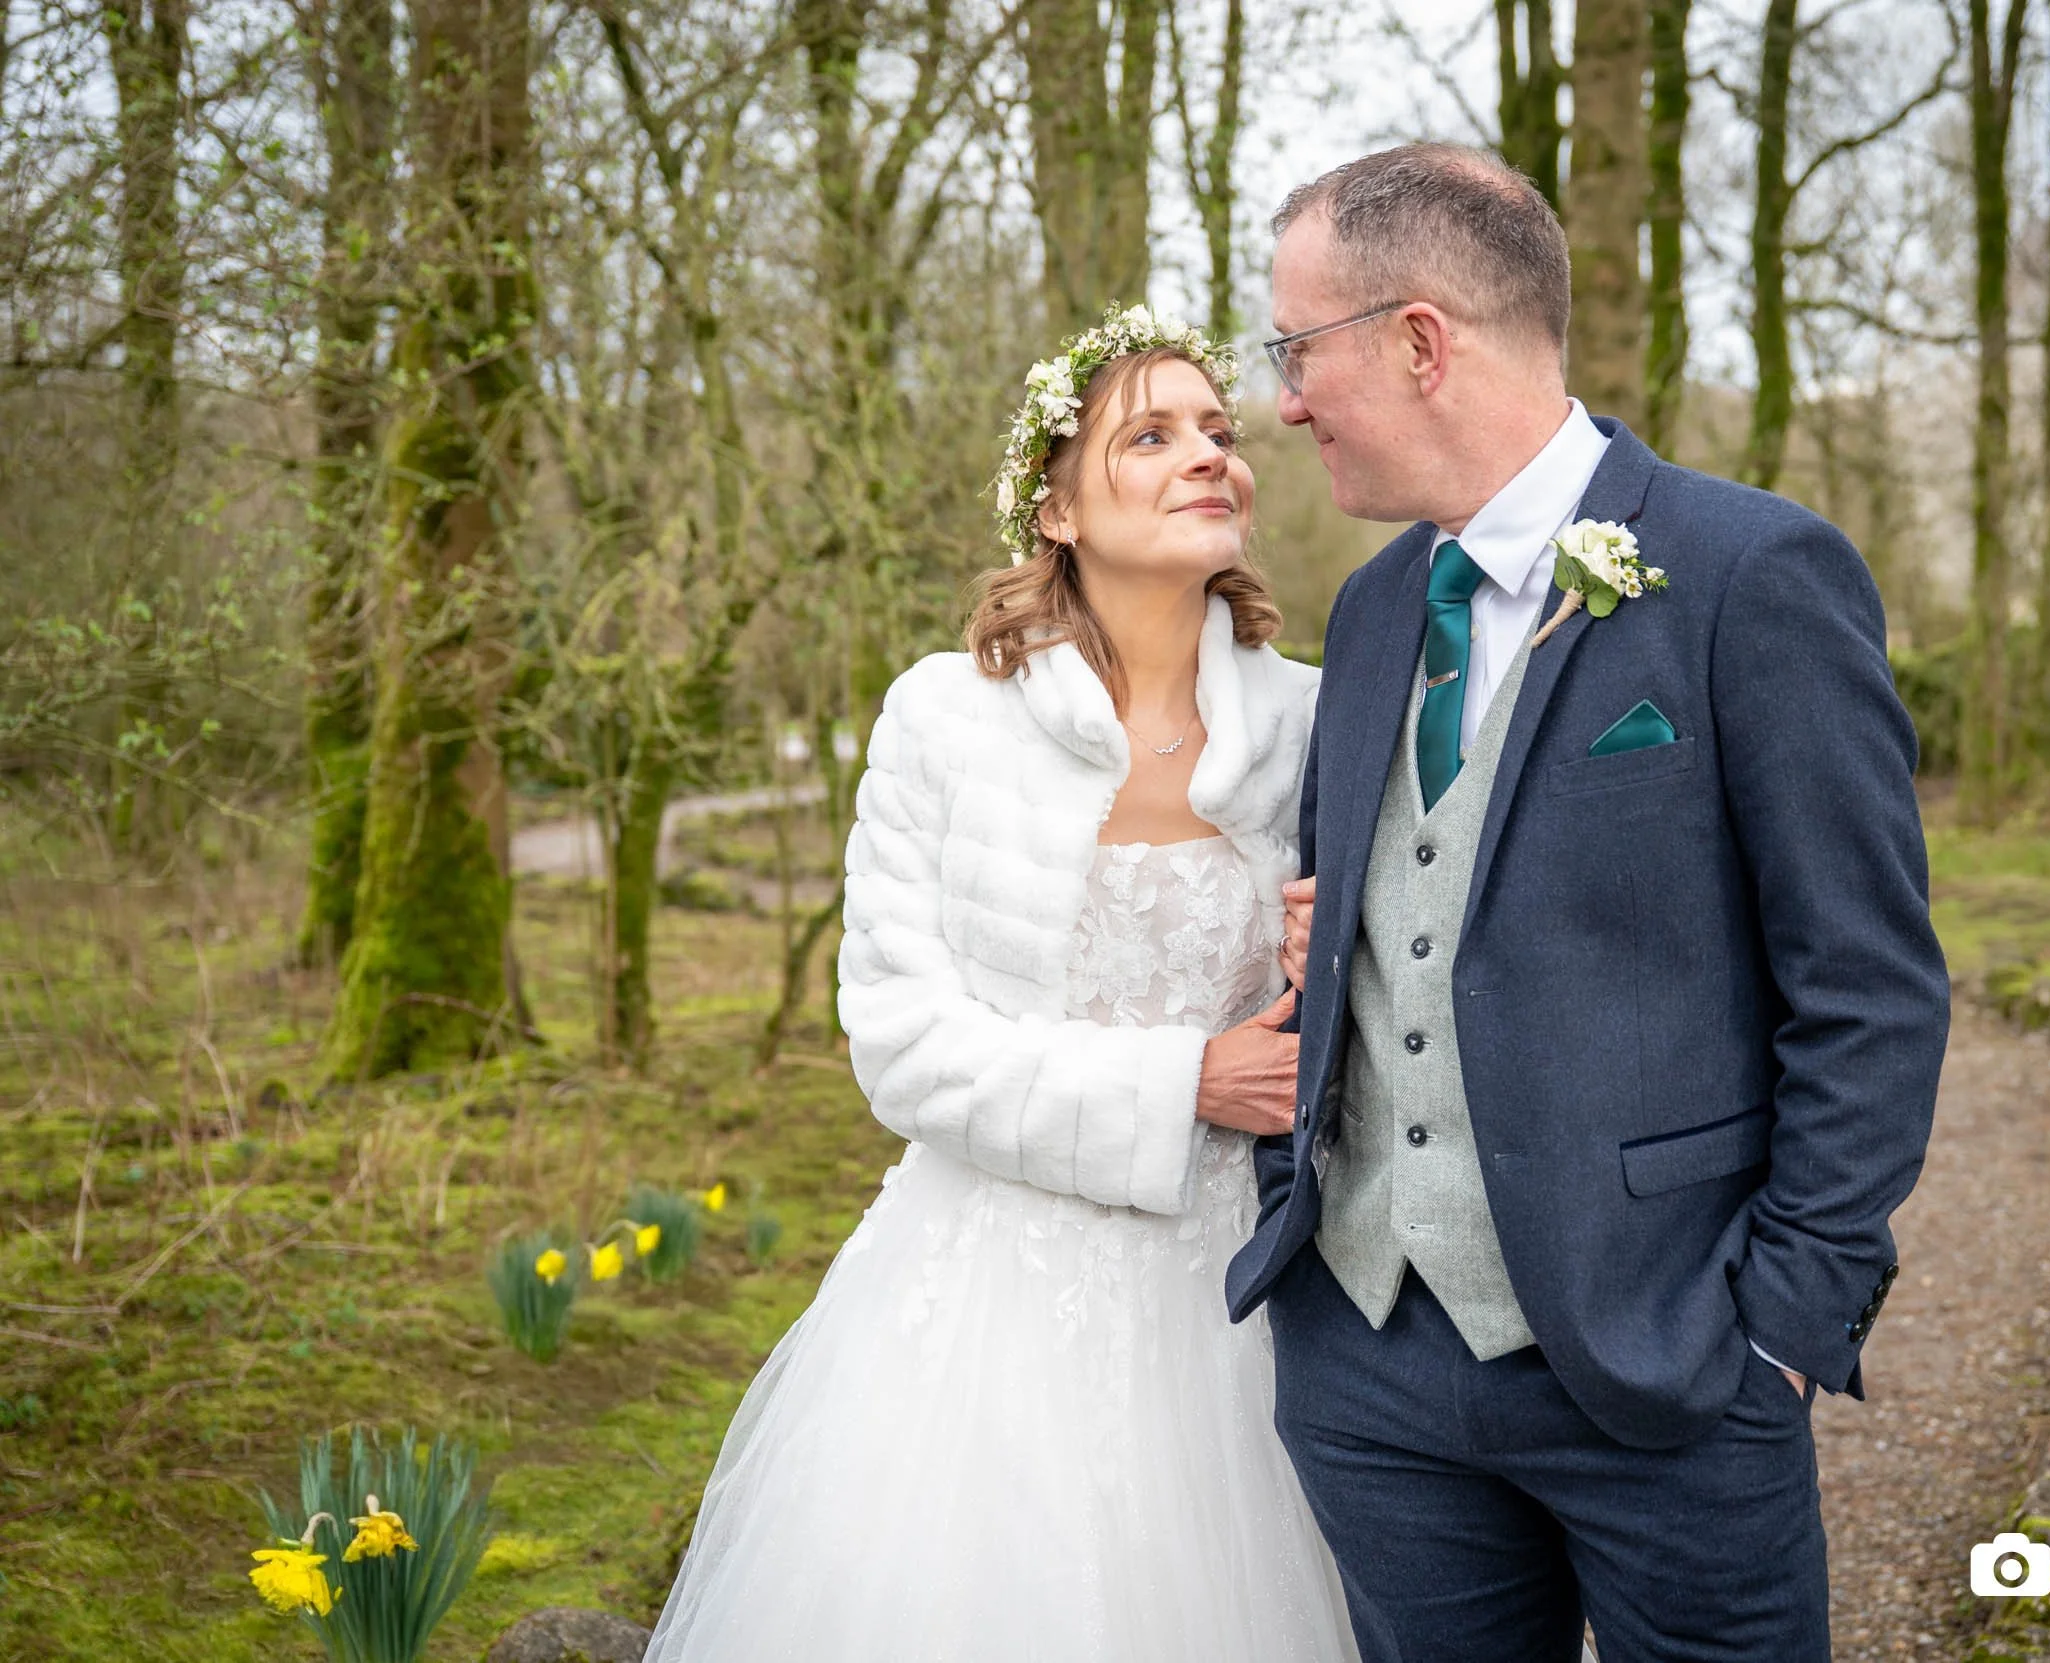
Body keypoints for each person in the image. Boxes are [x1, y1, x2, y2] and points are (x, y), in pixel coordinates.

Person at [1230, 144, 1953, 1662]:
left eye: (1299, 352)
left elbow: (1871, 987)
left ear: (1421, 341)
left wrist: (1778, 1326)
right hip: (1367, 1365)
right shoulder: (1367, 613)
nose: (1283, 400)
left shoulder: (1751, 574)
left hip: (1668, 1364)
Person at [644, 307, 1357, 1662]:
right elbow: (904, 1047)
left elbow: (1401, 1004)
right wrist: (1184, 1082)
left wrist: (1342, 966)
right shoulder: (944, 721)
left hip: (1248, 1304)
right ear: (1056, 506)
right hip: (979, 1322)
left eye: (1219, 428)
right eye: (1150, 433)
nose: (1208, 451)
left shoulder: (1316, 721)